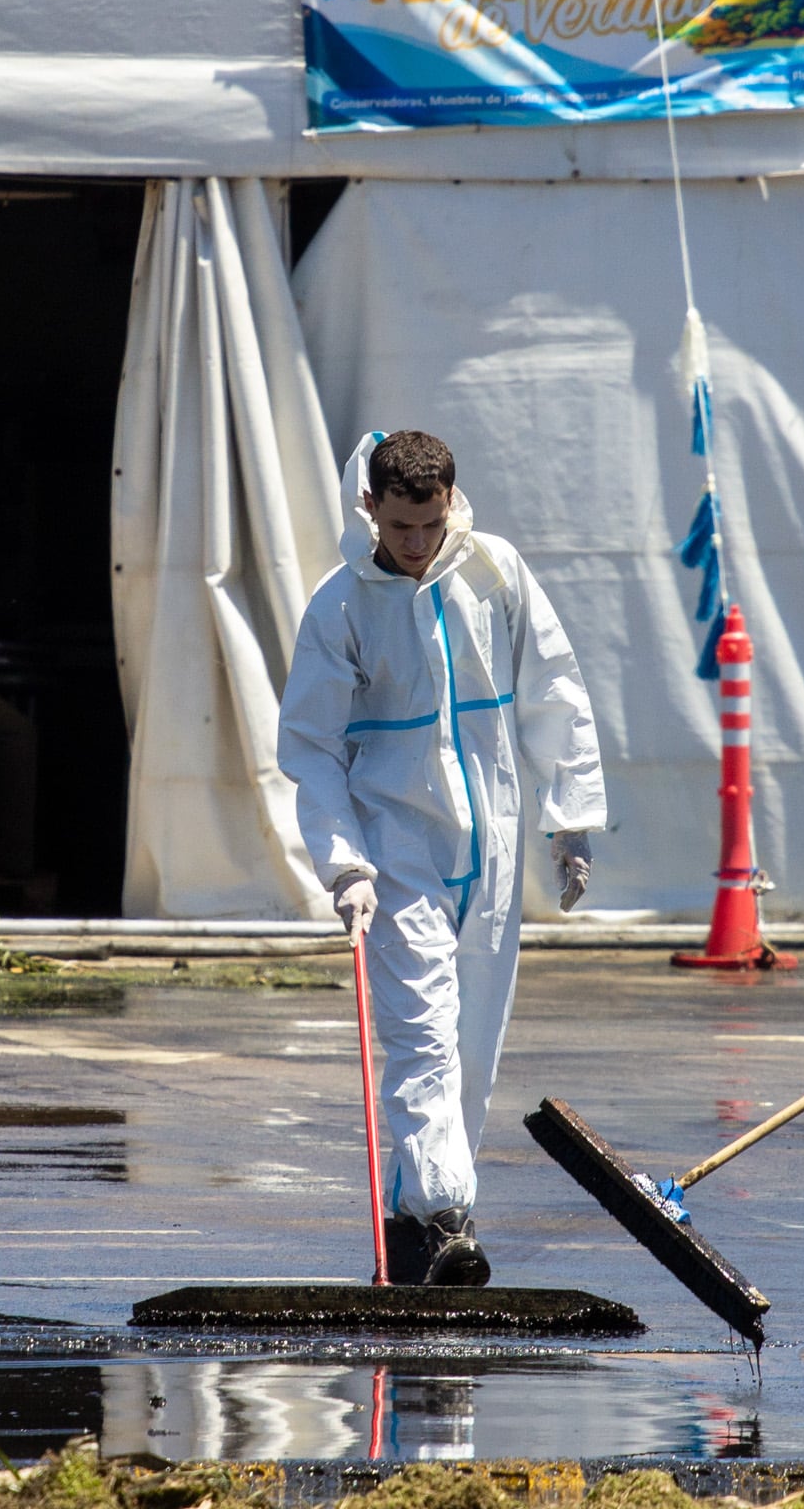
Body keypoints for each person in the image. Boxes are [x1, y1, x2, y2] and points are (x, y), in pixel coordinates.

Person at [277, 429, 606, 1286]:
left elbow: (553, 689)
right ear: (369, 510)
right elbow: (310, 746)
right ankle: (448, 1216)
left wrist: (569, 821)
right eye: (397, 528)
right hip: (397, 849)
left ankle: (413, 1220)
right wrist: (345, 864)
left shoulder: (494, 573)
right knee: (422, 1036)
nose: (414, 545)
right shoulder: (341, 604)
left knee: (471, 1048)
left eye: (427, 525)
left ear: (451, 502)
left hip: (489, 843)